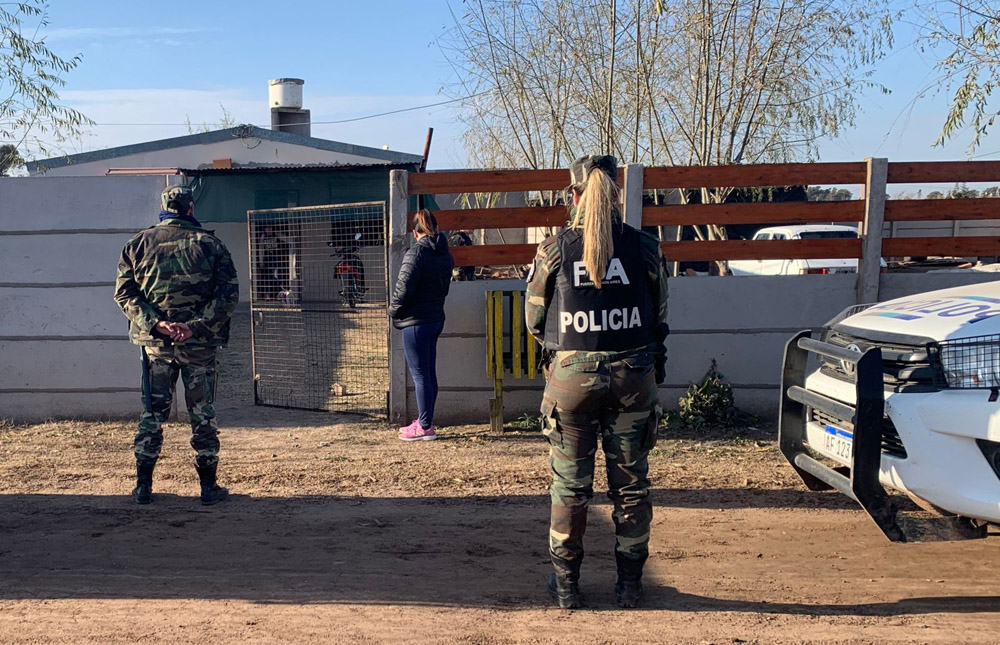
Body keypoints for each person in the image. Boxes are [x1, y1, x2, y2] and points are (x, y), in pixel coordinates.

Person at [525, 155, 669, 609]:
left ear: (574, 195)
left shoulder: (553, 250)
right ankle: (629, 586)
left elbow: (534, 321)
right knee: (631, 486)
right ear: (616, 195)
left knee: (570, 488)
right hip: (633, 378)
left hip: (571, 383)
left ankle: (566, 587)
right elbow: (659, 317)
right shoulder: (645, 248)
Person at [114, 185, 239, 506]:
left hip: (156, 345)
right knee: (202, 413)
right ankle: (208, 489)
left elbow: (125, 295)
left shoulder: (137, 244)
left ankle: (143, 487)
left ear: (164, 208)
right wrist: (193, 326)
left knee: (152, 414)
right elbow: (227, 297)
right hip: (199, 344)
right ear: (191, 209)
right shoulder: (211, 246)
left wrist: (156, 323)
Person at [388, 209, 454, 441]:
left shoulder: (416, 252)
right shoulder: (444, 254)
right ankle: (425, 421)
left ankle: (424, 426)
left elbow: (403, 287)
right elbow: (445, 287)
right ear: (435, 228)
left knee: (420, 375)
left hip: (415, 321)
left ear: (415, 233)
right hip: (435, 317)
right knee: (428, 373)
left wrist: (393, 310)